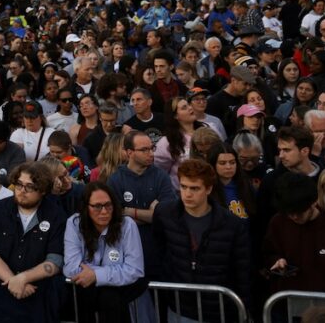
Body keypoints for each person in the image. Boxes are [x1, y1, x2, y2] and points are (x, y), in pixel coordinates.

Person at [152, 159, 251, 322]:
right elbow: (160, 253)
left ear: (209, 189)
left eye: (195, 188)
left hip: (219, 310)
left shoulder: (231, 224)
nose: (187, 193)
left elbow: (242, 269)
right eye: (183, 187)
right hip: (178, 307)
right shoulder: (165, 214)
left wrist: (245, 309)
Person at [0, 162, 66, 323]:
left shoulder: (56, 215)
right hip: (2, 279)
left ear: (42, 190)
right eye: (19, 184)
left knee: (55, 287)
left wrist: (23, 279)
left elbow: (55, 261)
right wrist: (12, 280)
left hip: (36, 285)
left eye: (29, 187)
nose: (22, 191)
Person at [63, 182, 147, 323]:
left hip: (118, 296)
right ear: (86, 207)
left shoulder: (126, 225)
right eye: (97, 206)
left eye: (108, 205)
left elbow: (135, 270)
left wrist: (95, 275)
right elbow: (71, 268)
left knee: (109, 296)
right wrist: (111, 272)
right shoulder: (74, 223)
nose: (104, 211)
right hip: (86, 295)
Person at [106, 130, 177, 279]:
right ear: (129, 152)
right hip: (127, 253)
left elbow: (167, 216)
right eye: (144, 150)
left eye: (152, 148)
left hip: (159, 252)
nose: (151, 153)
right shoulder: (115, 180)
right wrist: (151, 214)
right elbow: (115, 219)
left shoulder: (161, 177)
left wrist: (130, 212)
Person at [264, 172, 325, 300]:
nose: (294, 217)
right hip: (284, 304)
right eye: (289, 212)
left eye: (300, 212)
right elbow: (268, 253)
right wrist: (277, 260)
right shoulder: (278, 222)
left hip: (324, 309)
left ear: (313, 203)